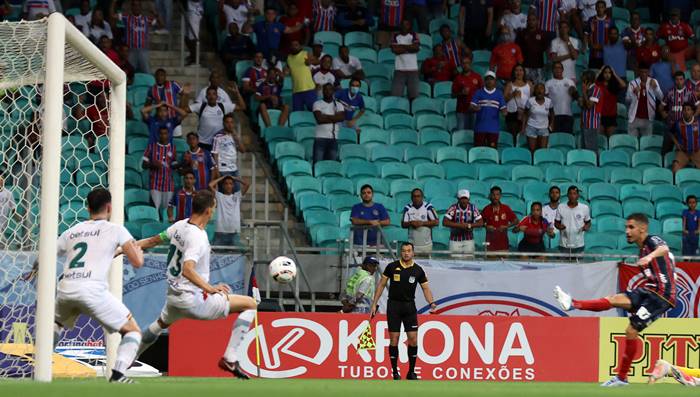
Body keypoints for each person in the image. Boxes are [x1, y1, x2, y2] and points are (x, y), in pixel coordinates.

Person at [134, 189, 257, 379]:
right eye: (214, 207)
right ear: (208, 210)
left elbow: (152, 241)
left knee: (159, 324)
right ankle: (230, 358)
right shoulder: (198, 237)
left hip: (174, 297)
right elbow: (188, 269)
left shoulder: (179, 226)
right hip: (193, 300)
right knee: (250, 304)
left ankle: (127, 360)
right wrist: (210, 288)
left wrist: (125, 248)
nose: (214, 211)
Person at [554, 213, 676, 387]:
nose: (627, 231)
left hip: (662, 295)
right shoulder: (641, 249)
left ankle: (622, 378)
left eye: (631, 227)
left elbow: (664, 249)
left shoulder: (651, 241)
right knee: (613, 299)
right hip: (650, 290)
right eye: (626, 227)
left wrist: (650, 257)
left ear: (643, 229)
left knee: (631, 331)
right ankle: (572, 304)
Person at [52, 189, 144, 383]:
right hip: (93, 291)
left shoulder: (72, 231)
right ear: (109, 207)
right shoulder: (116, 229)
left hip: (66, 289)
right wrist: (138, 252)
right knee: (132, 331)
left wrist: (34, 270)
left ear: (87, 208)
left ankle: (41, 365)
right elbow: (136, 261)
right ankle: (118, 375)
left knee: (55, 325)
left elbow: (48, 254)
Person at [369, 242, 437, 381]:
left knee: (413, 339)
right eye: (404, 251)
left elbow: (425, 289)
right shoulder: (392, 267)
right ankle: (395, 372)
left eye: (409, 251)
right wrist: (374, 303)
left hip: (409, 307)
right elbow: (381, 285)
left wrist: (431, 302)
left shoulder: (418, 270)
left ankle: (411, 372)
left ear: (413, 253)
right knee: (394, 340)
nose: (406, 253)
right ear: (401, 252)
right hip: (394, 306)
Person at [183, 85, 243, 151]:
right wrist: (186, 95)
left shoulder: (223, 106)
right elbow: (184, 109)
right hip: (202, 143)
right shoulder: (200, 106)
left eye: (214, 94)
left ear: (217, 97)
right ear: (206, 97)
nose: (211, 96)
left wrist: (237, 93)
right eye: (209, 94)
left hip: (218, 143)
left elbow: (242, 106)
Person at [114, 0, 161, 74]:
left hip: (143, 50)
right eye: (134, 5)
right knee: (129, 72)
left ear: (141, 7)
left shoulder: (147, 19)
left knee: (146, 72)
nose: (136, 7)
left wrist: (155, 13)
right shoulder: (126, 17)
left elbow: (161, 25)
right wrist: (113, 3)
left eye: (138, 5)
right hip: (131, 50)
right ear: (131, 7)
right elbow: (113, 16)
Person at [661, 73, 700, 156]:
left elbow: (698, 107)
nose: (679, 81)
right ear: (674, 81)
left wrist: (693, 118)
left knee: (686, 152)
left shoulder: (690, 93)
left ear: (684, 80)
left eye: (681, 79)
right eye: (677, 79)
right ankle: (664, 167)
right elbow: (661, 107)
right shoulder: (669, 92)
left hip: (685, 128)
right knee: (665, 152)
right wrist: (662, 113)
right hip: (671, 126)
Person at [142, 127, 178, 211]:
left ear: (168, 135)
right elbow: (144, 165)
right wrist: (153, 164)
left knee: (167, 209)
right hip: (155, 182)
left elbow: (174, 164)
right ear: (158, 135)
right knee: (156, 208)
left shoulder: (173, 148)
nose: (163, 135)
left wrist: (184, 163)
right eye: (161, 133)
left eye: (165, 133)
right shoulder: (151, 147)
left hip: (168, 184)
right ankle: (155, 223)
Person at [208, 175, 249, 246]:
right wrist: (222, 177)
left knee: (235, 255)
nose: (228, 186)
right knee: (218, 254)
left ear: (233, 186)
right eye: (226, 183)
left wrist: (235, 178)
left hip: (234, 231)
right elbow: (210, 185)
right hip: (220, 231)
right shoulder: (219, 196)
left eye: (230, 183)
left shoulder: (237, 196)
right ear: (223, 186)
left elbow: (247, 184)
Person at [471, 71, 507, 148]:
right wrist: (475, 108)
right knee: (478, 151)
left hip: (493, 129)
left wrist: (504, 112)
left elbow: (504, 109)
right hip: (480, 128)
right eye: (487, 79)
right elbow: (471, 106)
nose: (489, 81)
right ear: (484, 81)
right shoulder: (478, 92)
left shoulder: (499, 94)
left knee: (492, 152)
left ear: (495, 81)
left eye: (492, 79)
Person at [625, 66, 664, 137]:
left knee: (646, 143)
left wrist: (656, 88)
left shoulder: (653, 82)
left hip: (648, 119)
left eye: (645, 72)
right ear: (638, 72)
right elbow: (627, 99)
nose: (643, 74)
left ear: (648, 72)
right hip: (634, 118)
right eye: (642, 72)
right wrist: (633, 92)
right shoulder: (633, 83)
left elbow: (661, 97)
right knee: (633, 143)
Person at [212, 113, 246, 192]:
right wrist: (217, 169)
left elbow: (243, 150)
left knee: (237, 193)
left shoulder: (234, 136)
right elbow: (214, 154)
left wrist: (236, 137)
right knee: (224, 194)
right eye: (227, 122)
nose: (230, 125)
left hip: (234, 169)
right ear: (223, 123)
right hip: (223, 169)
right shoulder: (218, 136)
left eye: (231, 122)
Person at [442, 189, 483, 255]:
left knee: (469, 261)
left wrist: (469, 225)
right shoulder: (453, 208)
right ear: (458, 199)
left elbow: (481, 222)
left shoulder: (473, 208)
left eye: (465, 198)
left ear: (469, 199)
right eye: (462, 198)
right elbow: (445, 222)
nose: (464, 201)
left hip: (469, 239)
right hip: (455, 240)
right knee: (455, 262)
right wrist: (460, 225)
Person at [312, 83, 345, 163]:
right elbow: (319, 119)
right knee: (318, 164)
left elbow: (341, 118)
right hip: (320, 138)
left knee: (331, 165)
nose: (327, 91)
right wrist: (334, 118)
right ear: (323, 91)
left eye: (330, 89)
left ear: (333, 91)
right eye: (325, 89)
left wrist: (325, 116)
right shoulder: (317, 103)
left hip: (333, 139)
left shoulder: (338, 105)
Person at [554, 185, 591, 255]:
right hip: (564, 244)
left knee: (578, 265)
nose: (572, 195)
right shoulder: (561, 207)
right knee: (563, 265)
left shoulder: (584, 208)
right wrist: (559, 226)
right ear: (567, 195)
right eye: (570, 193)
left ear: (578, 196)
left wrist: (586, 227)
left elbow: (588, 222)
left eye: (574, 193)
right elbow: (556, 223)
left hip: (579, 244)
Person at [401, 188, 439, 253]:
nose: (416, 198)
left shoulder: (428, 207)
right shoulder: (407, 208)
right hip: (412, 244)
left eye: (418, 196)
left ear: (422, 197)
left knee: (427, 263)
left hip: (426, 244)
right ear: (411, 198)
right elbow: (403, 224)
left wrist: (422, 223)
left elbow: (436, 222)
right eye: (414, 196)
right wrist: (411, 223)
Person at [390, 19, 420, 101]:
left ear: (410, 26)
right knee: (396, 96)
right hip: (399, 69)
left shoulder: (414, 35)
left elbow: (416, 48)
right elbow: (395, 50)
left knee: (414, 97)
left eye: (406, 24)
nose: (404, 26)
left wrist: (401, 46)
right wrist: (409, 47)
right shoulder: (395, 35)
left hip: (413, 70)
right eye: (403, 24)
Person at [481, 186, 518, 252]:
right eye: (493, 194)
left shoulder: (506, 208)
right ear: (490, 196)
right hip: (490, 245)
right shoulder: (486, 209)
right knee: (490, 262)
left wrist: (506, 226)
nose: (495, 197)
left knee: (504, 262)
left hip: (503, 244)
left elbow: (516, 221)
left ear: (500, 196)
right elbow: (480, 222)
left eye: (497, 194)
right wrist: (486, 226)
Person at [452, 55, 483, 131]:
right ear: (461, 65)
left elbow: (483, 93)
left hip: (474, 110)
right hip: (461, 110)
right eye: (463, 63)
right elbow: (453, 95)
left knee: (474, 133)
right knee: (461, 133)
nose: (465, 65)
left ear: (471, 64)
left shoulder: (477, 77)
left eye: (467, 63)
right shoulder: (457, 78)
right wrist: (461, 93)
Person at [545, 61, 577, 133]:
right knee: (554, 138)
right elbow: (545, 100)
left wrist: (574, 92)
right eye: (555, 68)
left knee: (567, 137)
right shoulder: (548, 83)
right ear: (552, 70)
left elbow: (575, 98)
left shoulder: (570, 82)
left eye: (559, 68)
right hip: (553, 116)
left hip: (568, 114)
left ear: (562, 70)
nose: (557, 69)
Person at [516, 13, 548, 84]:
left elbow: (546, 50)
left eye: (533, 20)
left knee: (539, 87)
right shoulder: (522, 33)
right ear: (527, 21)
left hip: (539, 66)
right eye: (529, 20)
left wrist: (547, 63)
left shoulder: (543, 34)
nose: (531, 22)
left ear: (537, 21)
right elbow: (517, 49)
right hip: (525, 65)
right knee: (525, 86)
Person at [503, 64, 531, 145]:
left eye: (520, 70)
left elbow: (532, 100)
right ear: (513, 72)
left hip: (525, 115)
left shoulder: (529, 84)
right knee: (512, 137)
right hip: (512, 114)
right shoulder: (509, 84)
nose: (519, 72)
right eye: (516, 70)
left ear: (524, 72)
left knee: (524, 139)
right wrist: (512, 94)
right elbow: (503, 100)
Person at [287, 40, 318, 112]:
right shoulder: (289, 58)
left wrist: (310, 61)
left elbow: (317, 61)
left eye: (296, 45)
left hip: (309, 89)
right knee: (297, 114)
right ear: (290, 47)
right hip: (296, 91)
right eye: (293, 45)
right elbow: (289, 70)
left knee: (314, 112)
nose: (294, 47)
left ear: (300, 46)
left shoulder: (306, 53)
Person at [522, 82, 554, 152]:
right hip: (531, 127)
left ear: (544, 91)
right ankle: (533, 162)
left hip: (544, 128)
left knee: (543, 151)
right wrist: (523, 127)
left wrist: (551, 123)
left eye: (541, 88)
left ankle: (541, 163)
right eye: (537, 89)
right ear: (535, 91)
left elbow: (552, 114)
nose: (539, 90)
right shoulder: (530, 101)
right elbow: (525, 114)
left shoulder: (549, 101)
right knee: (532, 150)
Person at [596, 65, 626, 137]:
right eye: (605, 72)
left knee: (611, 139)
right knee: (601, 139)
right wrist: (600, 71)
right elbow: (592, 82)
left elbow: (624, 85)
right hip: (600, 115)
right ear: (602, 74)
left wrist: (615, 74)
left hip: (611, 116)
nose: (607, 74)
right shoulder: (599, 85)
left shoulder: (614, 85)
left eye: (609, 73)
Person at [670, 102, 700, 174]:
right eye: (684, 110)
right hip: (683, 153)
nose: (686, 112)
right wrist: (676, 143)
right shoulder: (677, 123)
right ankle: (676, 184)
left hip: (696, 152)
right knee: (675, 168)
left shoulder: (698, 121)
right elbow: (670, 133)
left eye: (688, 109)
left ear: (693, 111)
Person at [584, 0, 614, 69]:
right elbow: (586, 34)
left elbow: (613, 37)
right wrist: (585, 47)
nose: (600, 9)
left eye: (602, 7)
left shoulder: (610, 21)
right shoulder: (591, 20)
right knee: (594, 76)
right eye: (598, 7)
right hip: (594, 55)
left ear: (605, 8)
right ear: (595, 8)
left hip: (606, 55)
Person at [579, 70, 602, 151]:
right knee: (584, 148)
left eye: (583, 79)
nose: (582, 81)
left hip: (592, 124)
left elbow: (589, 105)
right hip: (585, 123)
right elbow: (582, 106)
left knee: (591, 149)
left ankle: (594, 163)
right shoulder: (587, 89)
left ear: (588, 80)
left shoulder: (596, 90)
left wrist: (584, 93)